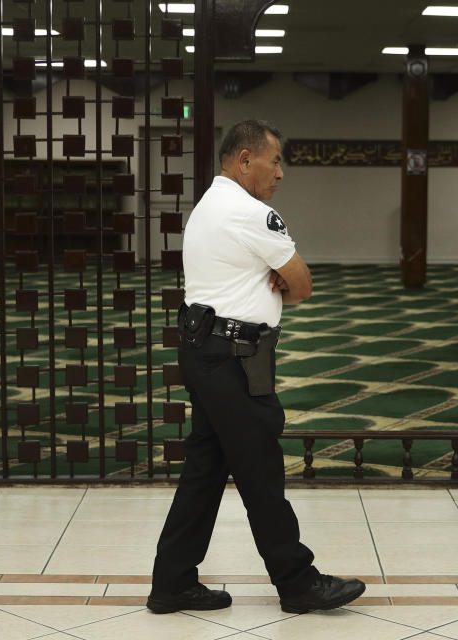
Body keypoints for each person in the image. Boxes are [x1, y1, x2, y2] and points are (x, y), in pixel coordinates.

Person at [148, 120, 366, 615]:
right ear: (245, 160)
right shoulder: (250, 214)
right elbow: (303, 283)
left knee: (205, 468)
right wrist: (279, 274)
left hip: (205, 351)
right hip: (233, 360)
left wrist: (274, 274)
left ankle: (172, 582)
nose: (281, 173)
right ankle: (298, 582)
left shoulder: (208, 205)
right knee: (260, 469)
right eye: (275, 161)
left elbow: (283, 278)